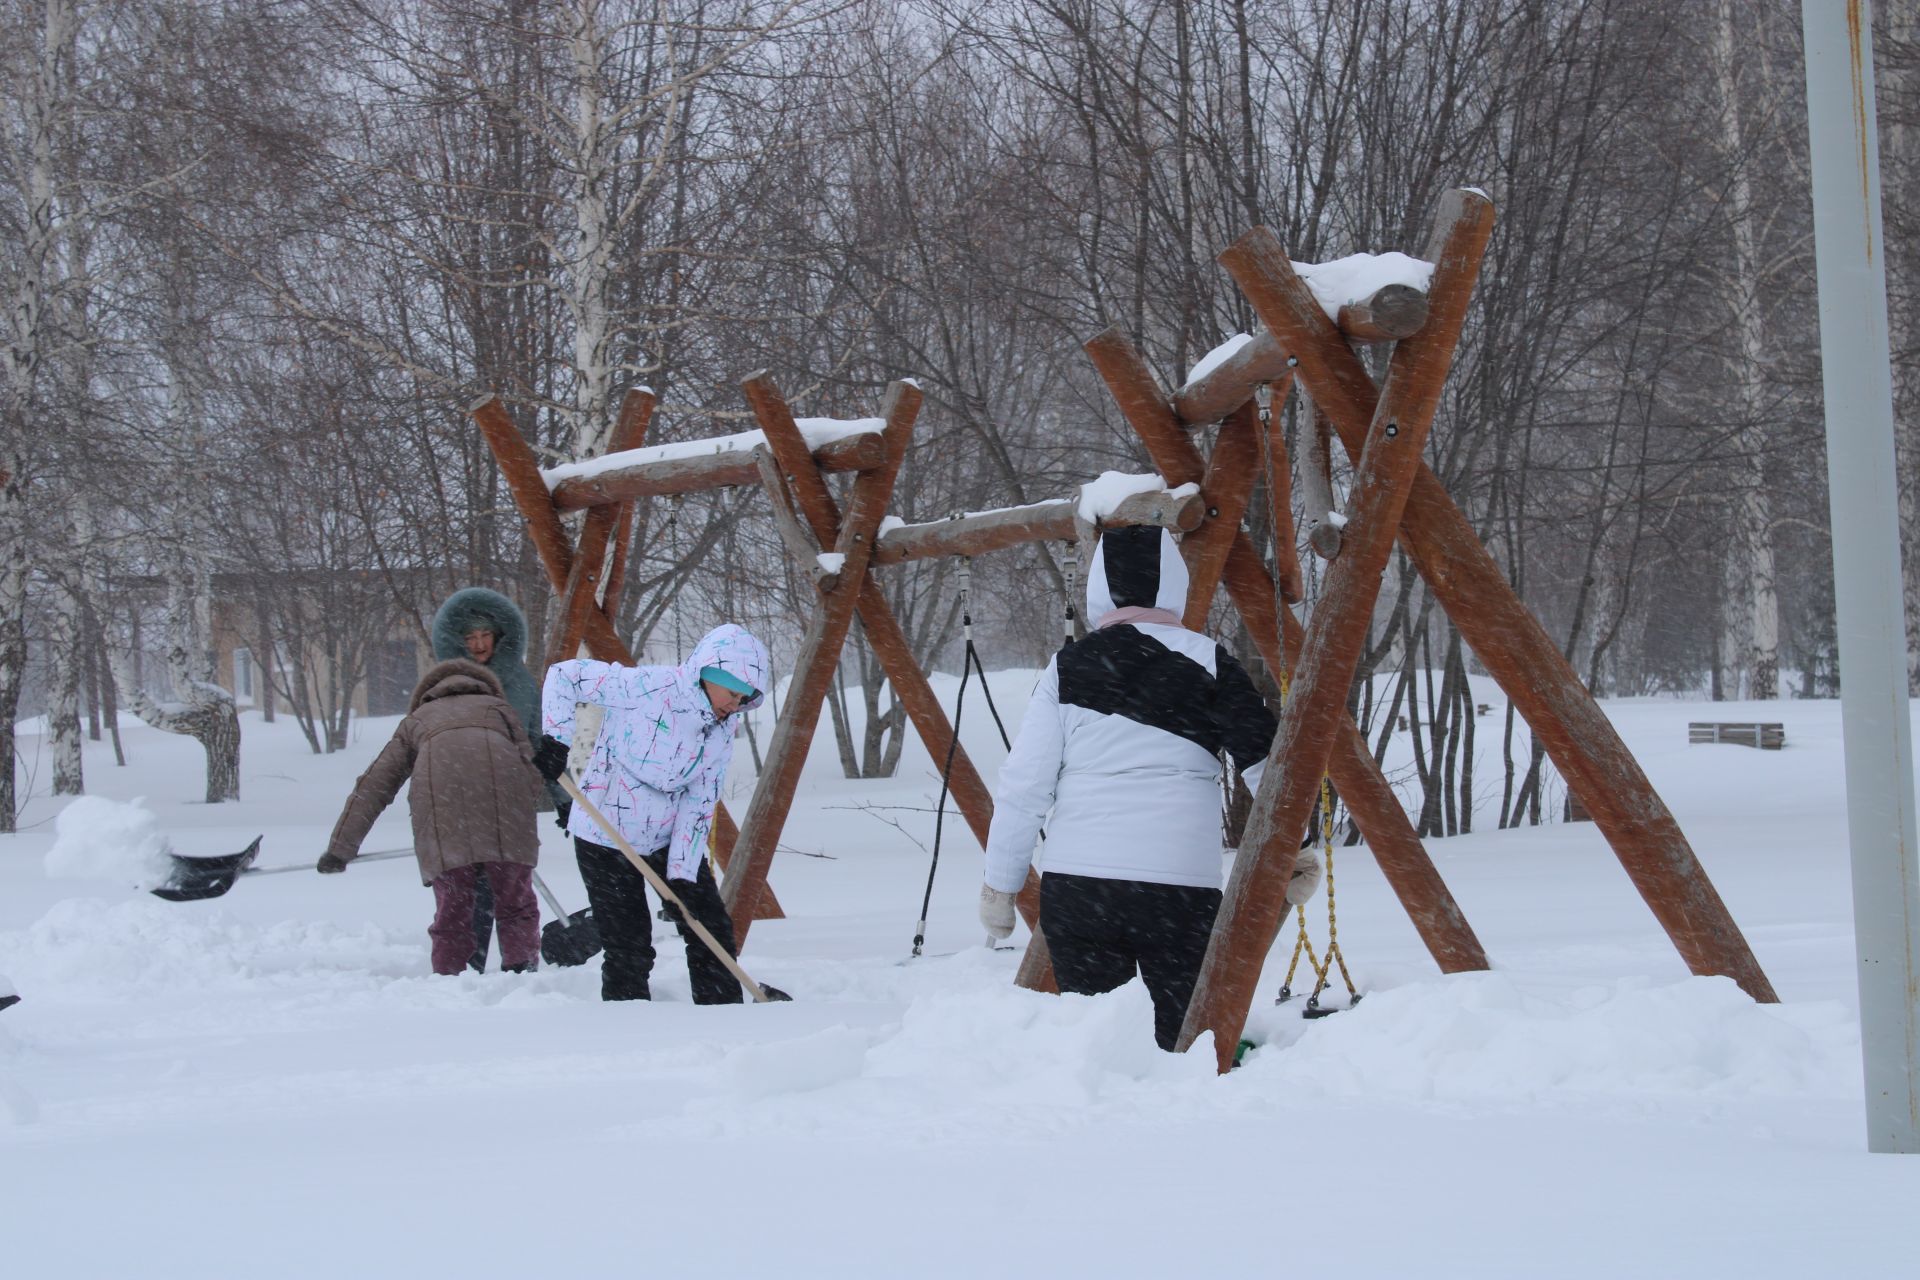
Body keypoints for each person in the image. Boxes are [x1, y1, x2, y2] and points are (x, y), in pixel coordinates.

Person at [977, 525, 1321, 1051]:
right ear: (1174, 586)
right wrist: (1299, 848)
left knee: (1096, 1043)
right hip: (1179, 887)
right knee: (1184, 1042)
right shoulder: (1210, 661)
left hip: (1082, 888)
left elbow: (1025, 786)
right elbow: (1267, 766)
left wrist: (1001, 884)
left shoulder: (1068, 667)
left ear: (1099, 589)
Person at [535, 623, 769, 1004]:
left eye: (744, 699)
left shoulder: (722, 729)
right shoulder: (646, 687)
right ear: (708, 674)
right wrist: (556, 740)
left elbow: (700, 800)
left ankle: (726, 1024)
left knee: (710, 930)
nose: (734, 705)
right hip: (604, 832)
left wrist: (681, 876)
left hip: (668, 835)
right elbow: (565, 676)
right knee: (629, 945)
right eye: (731, 693)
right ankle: (632, 1033)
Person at [317, 657, 546, 975]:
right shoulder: (500, 711)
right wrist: (511, 807)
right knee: (516, 904)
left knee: (453, 911)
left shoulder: (417, 721)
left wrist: (340, 850)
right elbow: (531, 771)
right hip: (507, 819)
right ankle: (522, 975)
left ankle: (451, 982)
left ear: (429, 692)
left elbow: (374, 786)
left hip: (445, 825)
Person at [428, 587, 554, 971]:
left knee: (513, 894)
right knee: (460, 899)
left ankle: (520, 970)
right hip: (456, 806)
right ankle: (464, 971)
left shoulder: (519, 682)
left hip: (507, 805)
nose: (480, 644)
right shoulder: (443, 685)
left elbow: (536, 746)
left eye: (486, 636)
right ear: (458, 641)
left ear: (500, 637)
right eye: (470, 637)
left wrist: (555, 799)